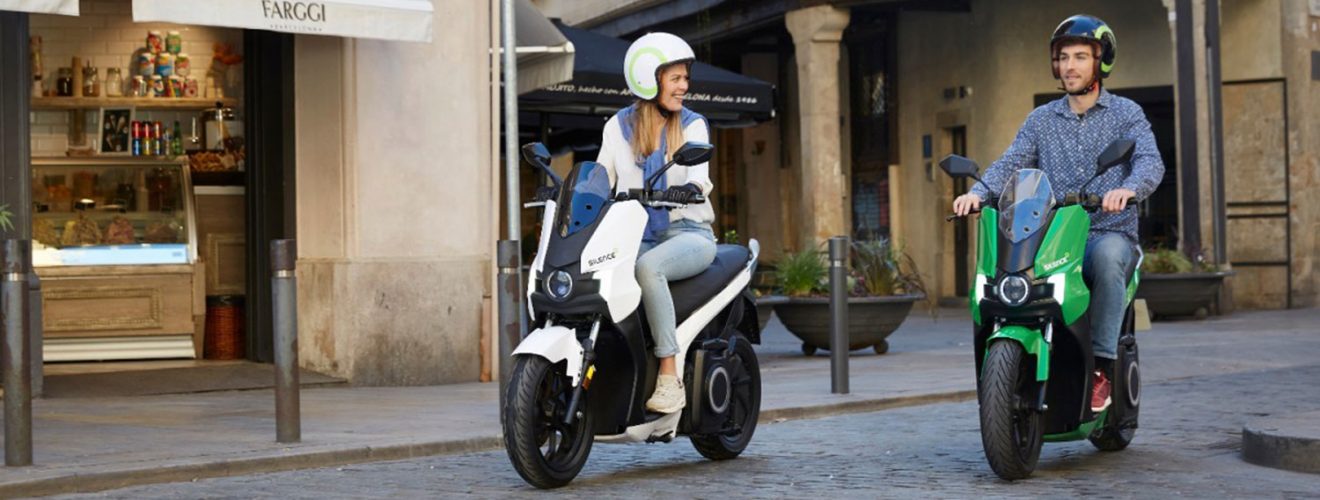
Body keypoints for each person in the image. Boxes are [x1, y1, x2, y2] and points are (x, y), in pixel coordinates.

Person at [951, 14, 1164, 413]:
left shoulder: (1127, 114)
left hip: (1106, 231)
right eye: (1064, 57)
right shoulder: (1042, 119)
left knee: (1108, 259)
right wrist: (978, 193)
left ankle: (1101, 368)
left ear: (1100, 62)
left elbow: (1150, 162)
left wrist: (1129, 189)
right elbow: (1011, 162)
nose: (1070, 66)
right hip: (1052, 236)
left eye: (1080, 57)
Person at [595, 32, 716, 414]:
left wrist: (690, 189)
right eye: (675, 78)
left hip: (689, 233)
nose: (684, 86)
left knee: (648, 268)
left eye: (685, 78)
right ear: (649, 79)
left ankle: (668, 376)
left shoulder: (693, 125)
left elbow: (700, 178)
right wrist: (573, 195)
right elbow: (600, 178)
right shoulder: (617, 127)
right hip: (634, 235)